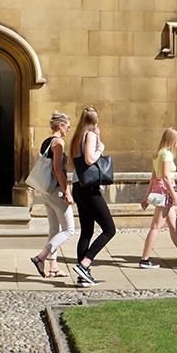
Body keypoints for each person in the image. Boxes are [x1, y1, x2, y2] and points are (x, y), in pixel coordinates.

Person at [138, 128, 177, 267]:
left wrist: (146, 197)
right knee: (155, 227)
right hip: (165, 194)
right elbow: (166, 177)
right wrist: (174, 197)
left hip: (161, 192)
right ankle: (144, 259)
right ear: (173, 140)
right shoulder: (166, 155)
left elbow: (153, 178)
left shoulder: (158, 154)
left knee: (174, 225)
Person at [70, 106, 115, 286]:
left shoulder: (77, 137)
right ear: (94, 120)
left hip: (78, 187)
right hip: (89, 189)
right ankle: (84, 264)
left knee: (87, 232)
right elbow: (90, 159)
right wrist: (101, 147)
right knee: (109, 229)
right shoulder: (90, 135)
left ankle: (83, 276)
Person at [30, 111, 75, 279]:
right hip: (56, 190)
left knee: (54, 229)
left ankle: (53, 266)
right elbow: (57, 169)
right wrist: (67, 191)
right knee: (70, 230)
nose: (69, 129)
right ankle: (40, 257)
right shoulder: (58, 142)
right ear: (60, 126)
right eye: (68, 126)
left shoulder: (46, 142)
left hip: (46, 190)